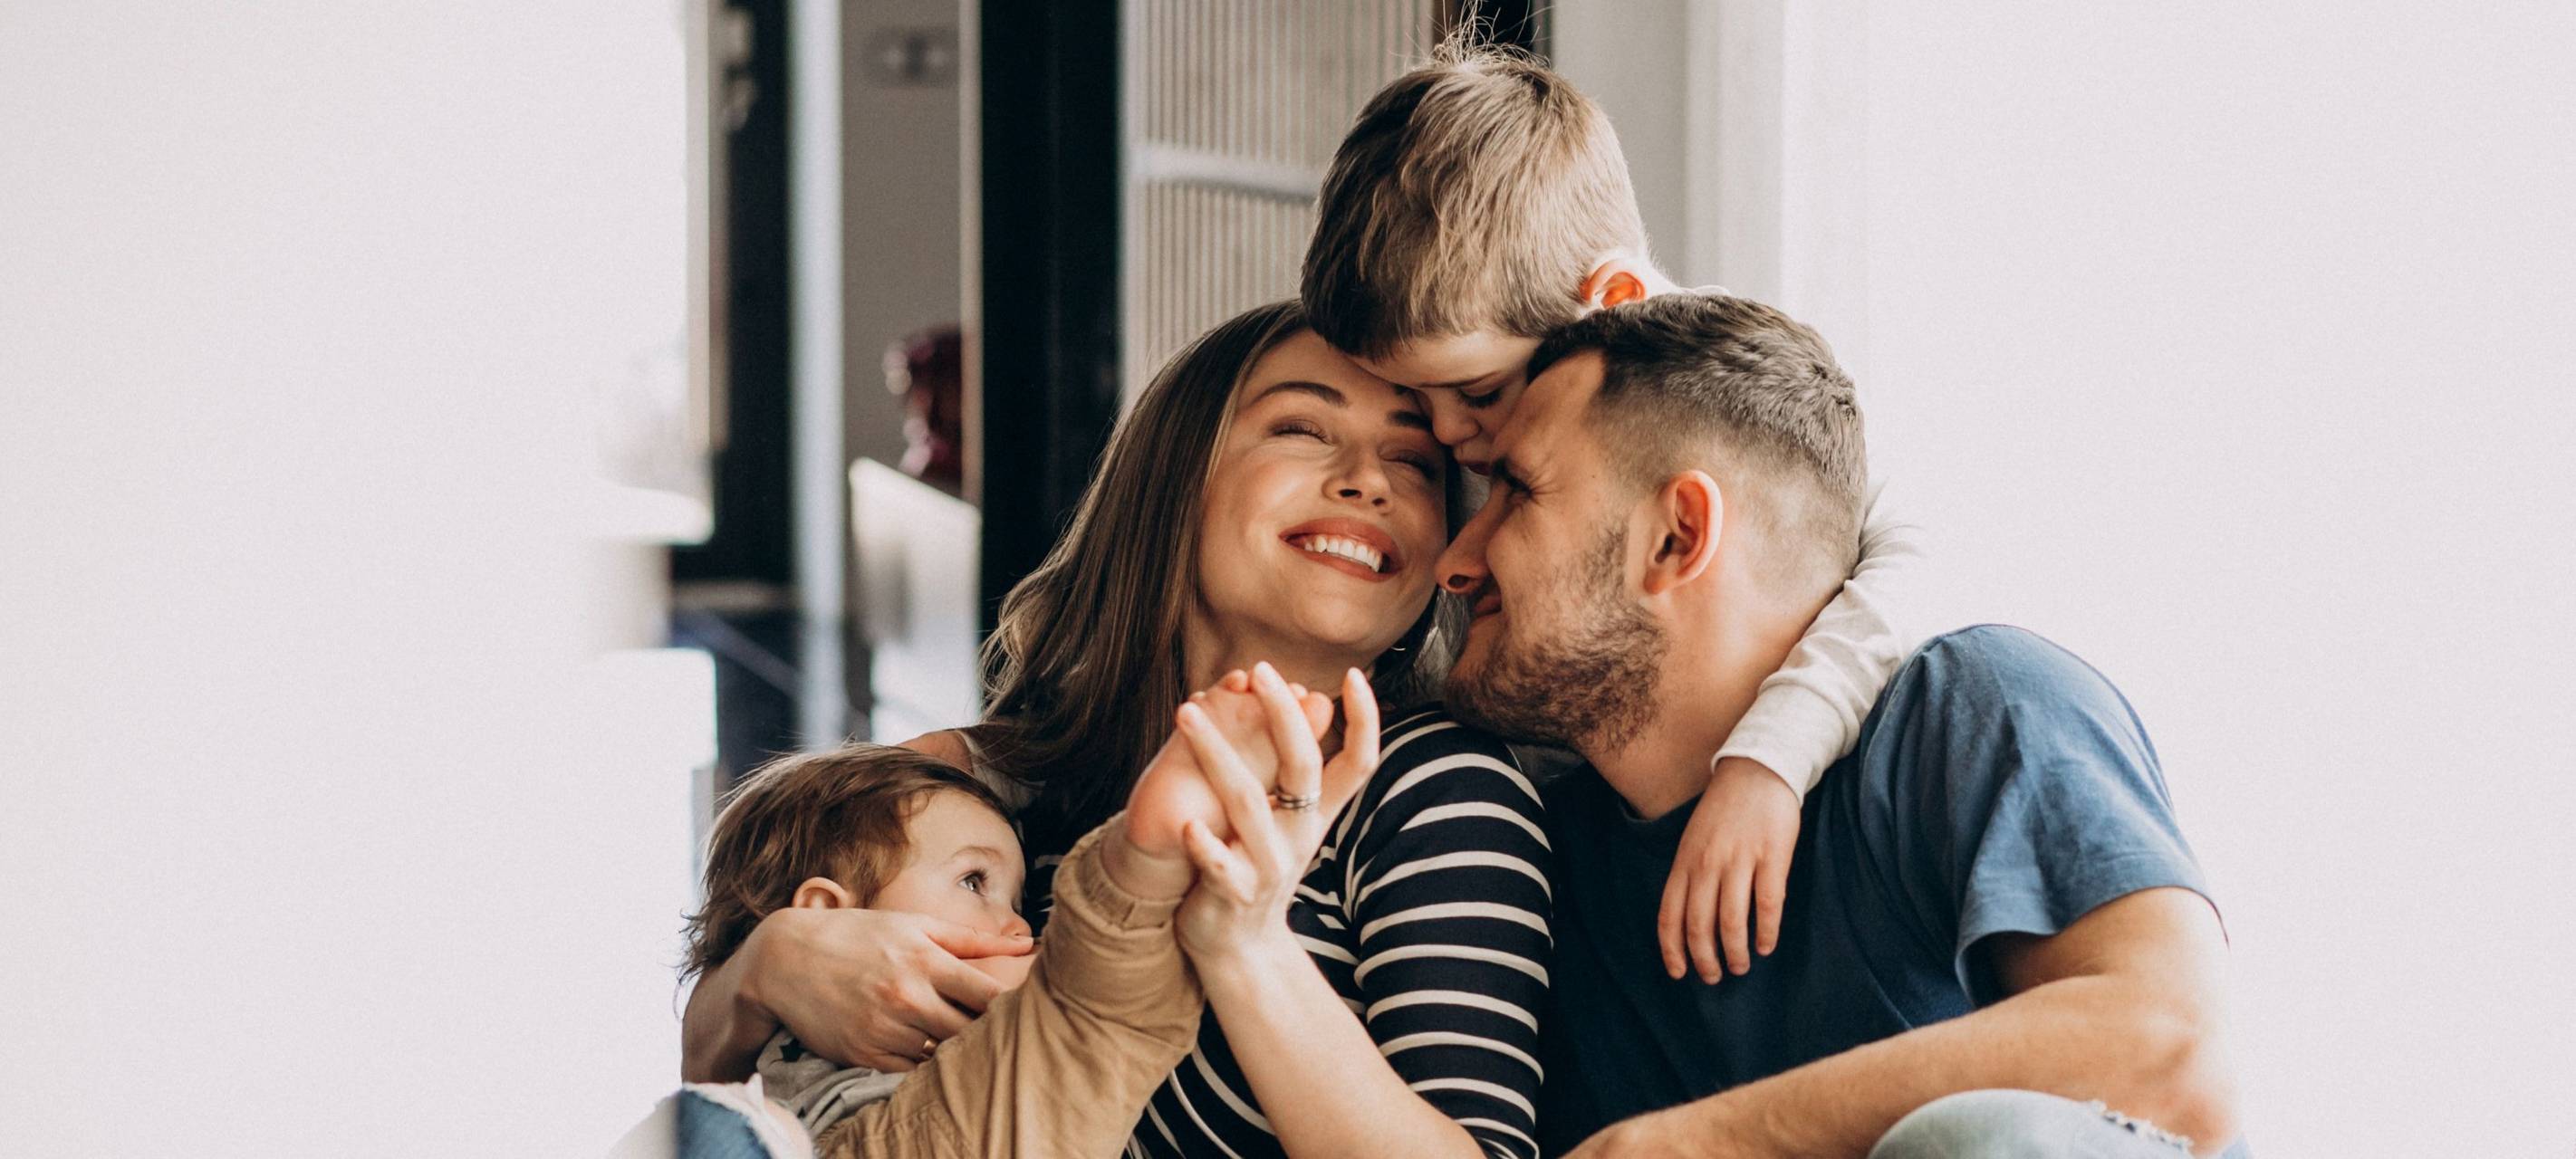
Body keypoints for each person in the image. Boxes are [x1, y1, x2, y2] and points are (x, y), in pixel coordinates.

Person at [684, 301, 1557, 1159]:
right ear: (1176, 475)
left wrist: (1247, 945)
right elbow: (718, 1083)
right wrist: (772, 966)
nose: (1370, 479)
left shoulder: (1435, 789)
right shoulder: (987, 780)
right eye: (1303, 429)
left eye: (1412, 460)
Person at [1430, 292, 2243, 1156]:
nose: (1456, 561)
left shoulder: (1964, 712)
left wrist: (1688, 1146)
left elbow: (2172, 1055)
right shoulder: (1518, 853)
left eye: (1515, 493)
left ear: (1677, 537)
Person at [1299, 40, 1930, 985]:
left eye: (1472, 388)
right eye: (1413, 400)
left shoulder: (1741, 403)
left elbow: (1915, 557)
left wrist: (1766, 758)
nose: (1450, 436)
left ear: (1614, 302)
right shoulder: (1471, 405)